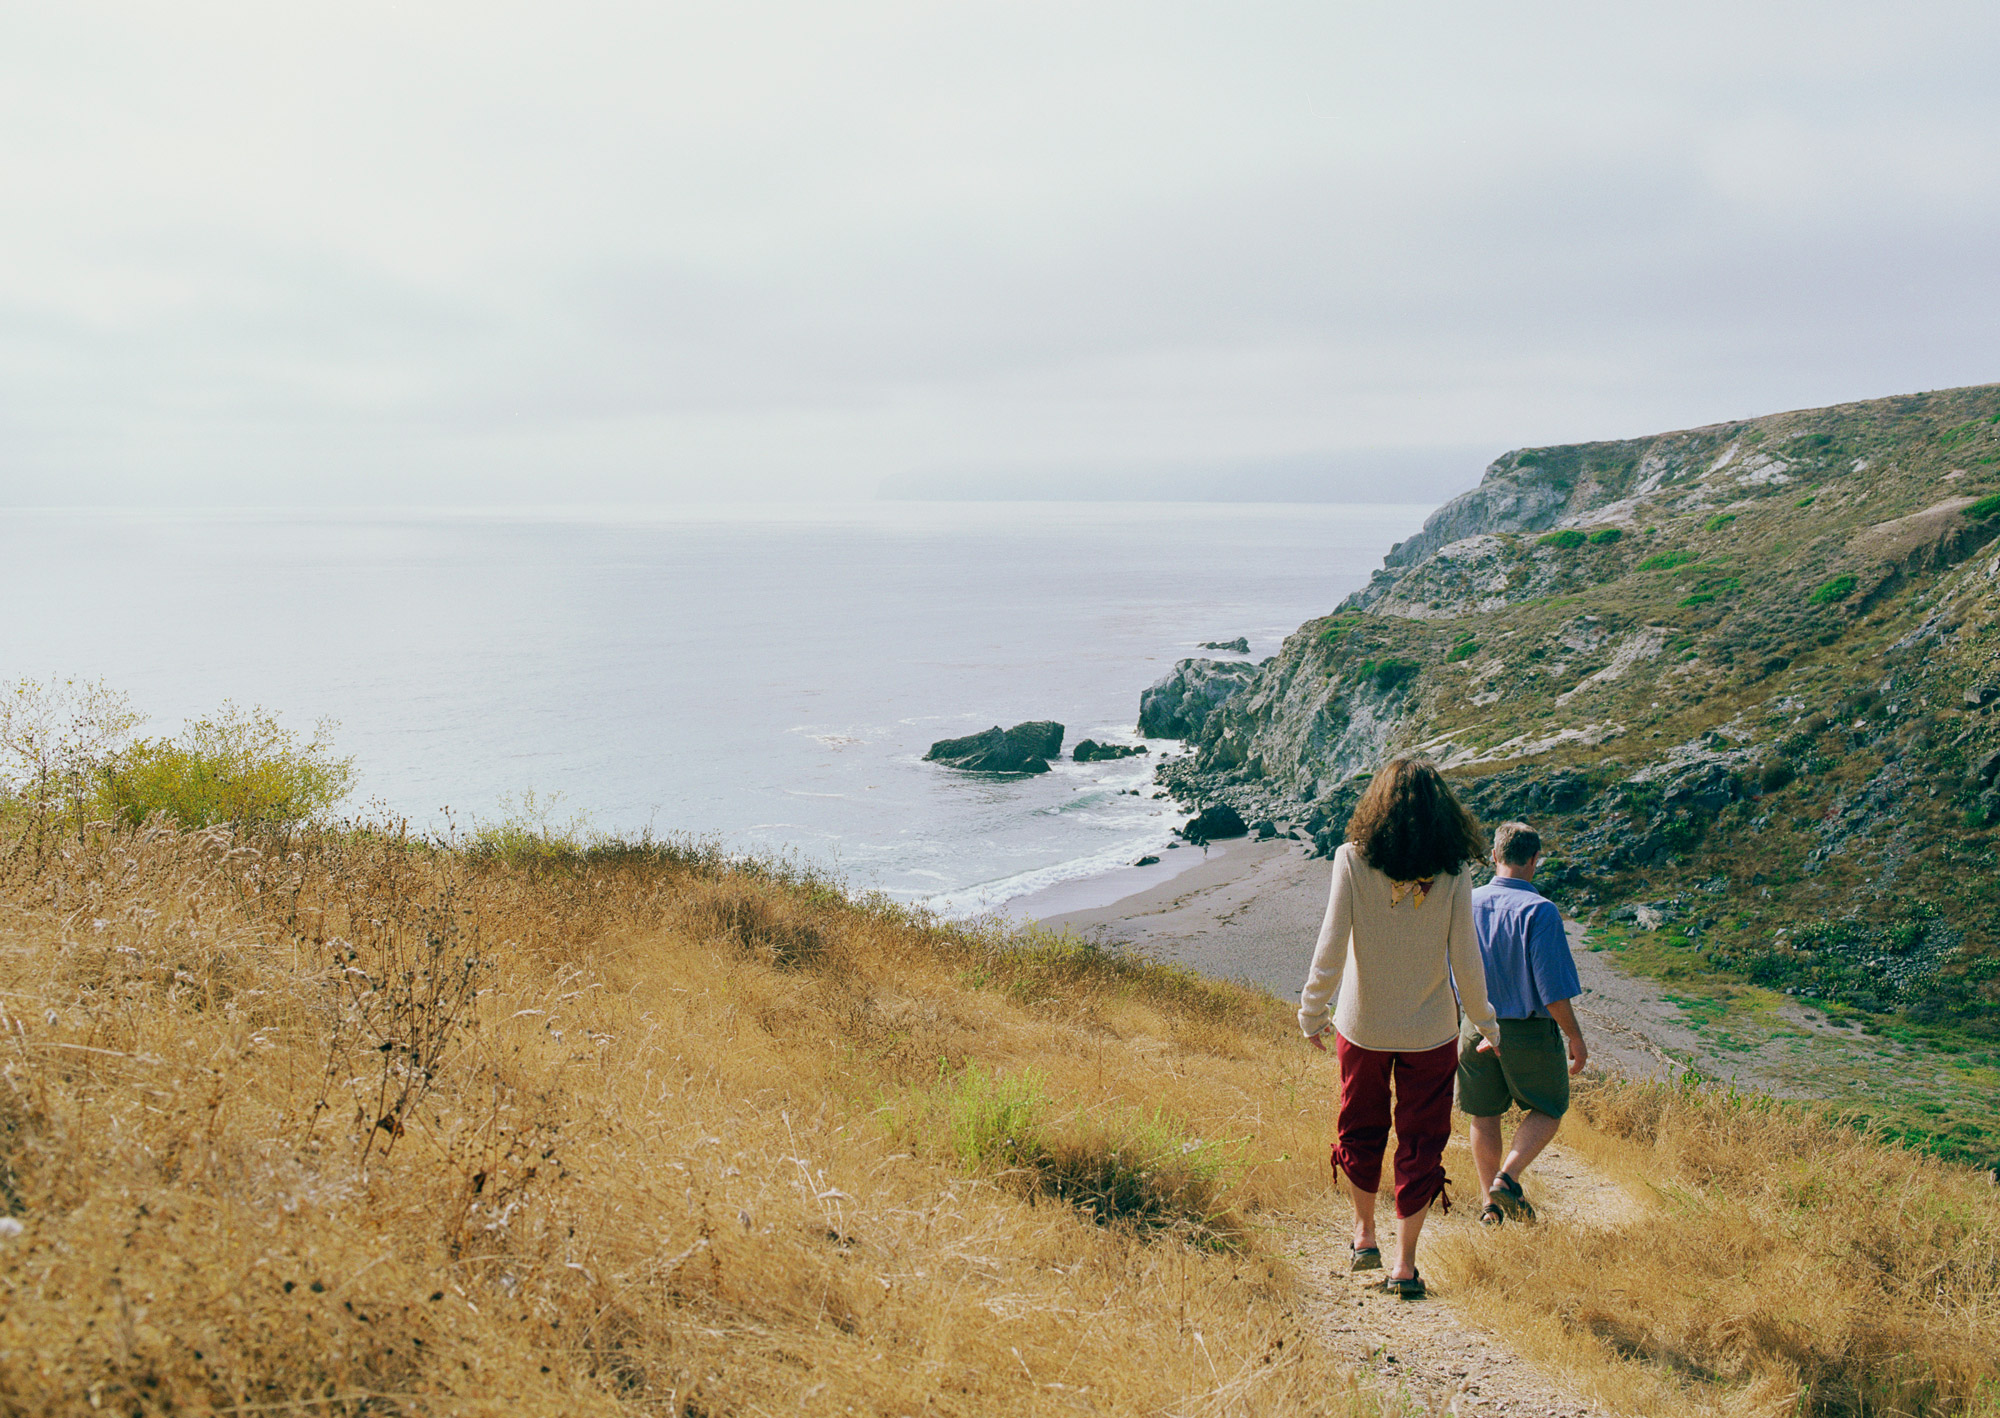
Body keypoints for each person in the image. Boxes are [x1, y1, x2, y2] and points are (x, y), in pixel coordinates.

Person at [1299, 757, 1500, 1301]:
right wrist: (1486, 1021)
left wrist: (1311, 1011)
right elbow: (1467, 958)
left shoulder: (1351, 859)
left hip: (1361, 1026)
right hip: (1431, 1032)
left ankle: (1365, 1237)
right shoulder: (1456, 871)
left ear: (1377, 805)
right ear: (1443, 813)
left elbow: (1331, 943)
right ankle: (1405, 1267)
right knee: (1421, 1142)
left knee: (1359, 1128)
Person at [1456, 820, 1588, 1226]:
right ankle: (1507, 1178)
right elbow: (1552, 991)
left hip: (1472, 1024)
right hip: (1525, 1030)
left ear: (1494, 856)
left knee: (1484, 1113)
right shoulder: (1541, 911)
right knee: (1549, 1107)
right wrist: (1575, 1037)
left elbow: (1450, 971)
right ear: (1535, 860)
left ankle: (1489, 1207)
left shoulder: (1467, 903)